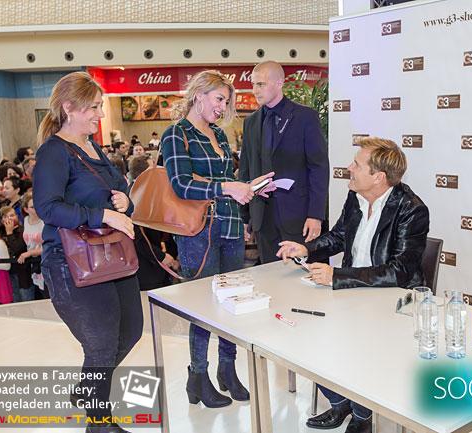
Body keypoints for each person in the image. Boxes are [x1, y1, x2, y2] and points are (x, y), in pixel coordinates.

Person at [276, 137, 430, 433]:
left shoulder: (412, 210)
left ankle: (361, 417)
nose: (349, 167)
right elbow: (338, 237)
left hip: (392, 304)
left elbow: (399, 272)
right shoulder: (355, 196)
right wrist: (306, 249)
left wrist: (337, 277)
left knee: (360, 345)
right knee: (305, 335)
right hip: (352, 294)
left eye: (357, 164)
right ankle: (340, 402)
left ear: (378, 177)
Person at [33, 71, 141, 433]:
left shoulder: (94, 147)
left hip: (112, 255)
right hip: (72, 261)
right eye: (93, 107)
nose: (100, 114)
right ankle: (98, 422)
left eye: (99, 106)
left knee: (130, 332)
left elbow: (116, 193)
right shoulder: (54, 151)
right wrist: (103, 214)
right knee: (102, 343)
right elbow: (48, 208)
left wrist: (124, 201)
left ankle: (88, 387)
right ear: (69, 107)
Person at [161, 69, 274, 409]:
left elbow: (226, 180)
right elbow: (181, 185)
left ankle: (227, 369)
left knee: (232, 301)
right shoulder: (177, 134)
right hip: (199, 232)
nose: (223, 107)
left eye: (226, 102)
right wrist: (228, 187)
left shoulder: (220, 135)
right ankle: (198, 375)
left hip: (230, 227)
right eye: (219, 99)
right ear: (199, 94)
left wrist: (249, 188)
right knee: (203, 307)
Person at [239, 60, 329, 263]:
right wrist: (244, 217)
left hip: (298, 217)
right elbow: (245, 169)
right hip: (262, 218)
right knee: (269, 275)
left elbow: (318, 168)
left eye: (260, 84)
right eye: (253, 84)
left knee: (300, 277)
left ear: (279, 83)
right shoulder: (250, 122)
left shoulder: (305, 117)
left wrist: (316, 215)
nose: (255, 90)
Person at [128, 155, 178, 291]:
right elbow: (137, 238)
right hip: (147, 270)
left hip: (158, 264)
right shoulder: (133, 197)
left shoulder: (147, 193)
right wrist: (161, 257)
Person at [0, 206, 34, 302]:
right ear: (1, 220)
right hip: (8, 273)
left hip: (23, 272)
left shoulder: (23, 230)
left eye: (12, 215)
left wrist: (9, 233)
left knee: (26, 299)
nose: (9, 219)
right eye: (5, 217)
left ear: (17, 216)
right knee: (14, 300)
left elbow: (18, 249)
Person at [19, 193, 45, 297]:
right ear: (26, 209)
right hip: (32, 264)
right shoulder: (25, 220)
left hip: (45, 261)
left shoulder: (45, 221)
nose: (36, 209)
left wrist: (30, 253)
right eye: (33, 207)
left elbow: (50, 246)